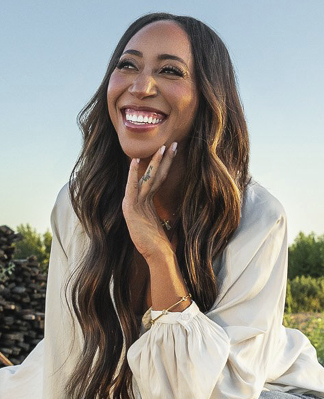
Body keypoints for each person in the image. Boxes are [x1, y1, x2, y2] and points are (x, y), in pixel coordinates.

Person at [0, 12, 323, 399]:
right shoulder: (78, 204)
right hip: (113, 379)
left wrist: (156, 251)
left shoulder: (257, 218)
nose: (140, 85)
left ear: (208, 97)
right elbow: (66, 360)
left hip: (251, 380)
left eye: (170, 71)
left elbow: (223, 389)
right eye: (127, 65)